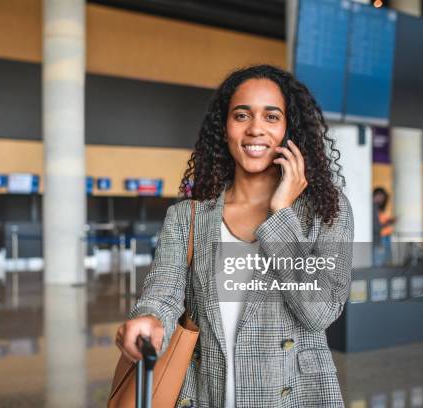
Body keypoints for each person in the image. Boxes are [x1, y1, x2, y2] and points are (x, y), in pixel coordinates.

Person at [115, 65, 354, 407]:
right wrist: (149, 318)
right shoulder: (188, 216)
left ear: (289, 129)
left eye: (271, 117)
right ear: (224, 128)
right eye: (242, 115)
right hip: (206, 394)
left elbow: (321, 311)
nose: (255, 128)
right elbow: (163, 293)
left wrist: (282, 213)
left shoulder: (327, 211)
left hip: (296, 395)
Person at [372, 187, 395, 266]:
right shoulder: (373, 207)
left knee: (385, 262)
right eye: (381, 196)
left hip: (383, 237)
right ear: (376, 195)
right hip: (380, 238)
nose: (382, 199)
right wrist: (387, 223)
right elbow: (375, 226)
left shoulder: (376, 207)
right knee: (380, 264)